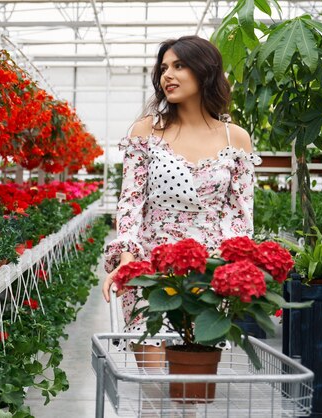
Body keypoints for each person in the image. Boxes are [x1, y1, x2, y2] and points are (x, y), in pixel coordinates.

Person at [102, 35, 261, 360]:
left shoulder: (237, 138)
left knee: (192, 388)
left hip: (208, 275)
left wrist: (234, 271)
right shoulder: (145, 132)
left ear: (205, 71)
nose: (167, 76)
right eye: (163, 68)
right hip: (151, 270)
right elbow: (130, 203)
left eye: (179, 66)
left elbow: (240, 218)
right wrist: (127, 258)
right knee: (153, 378)